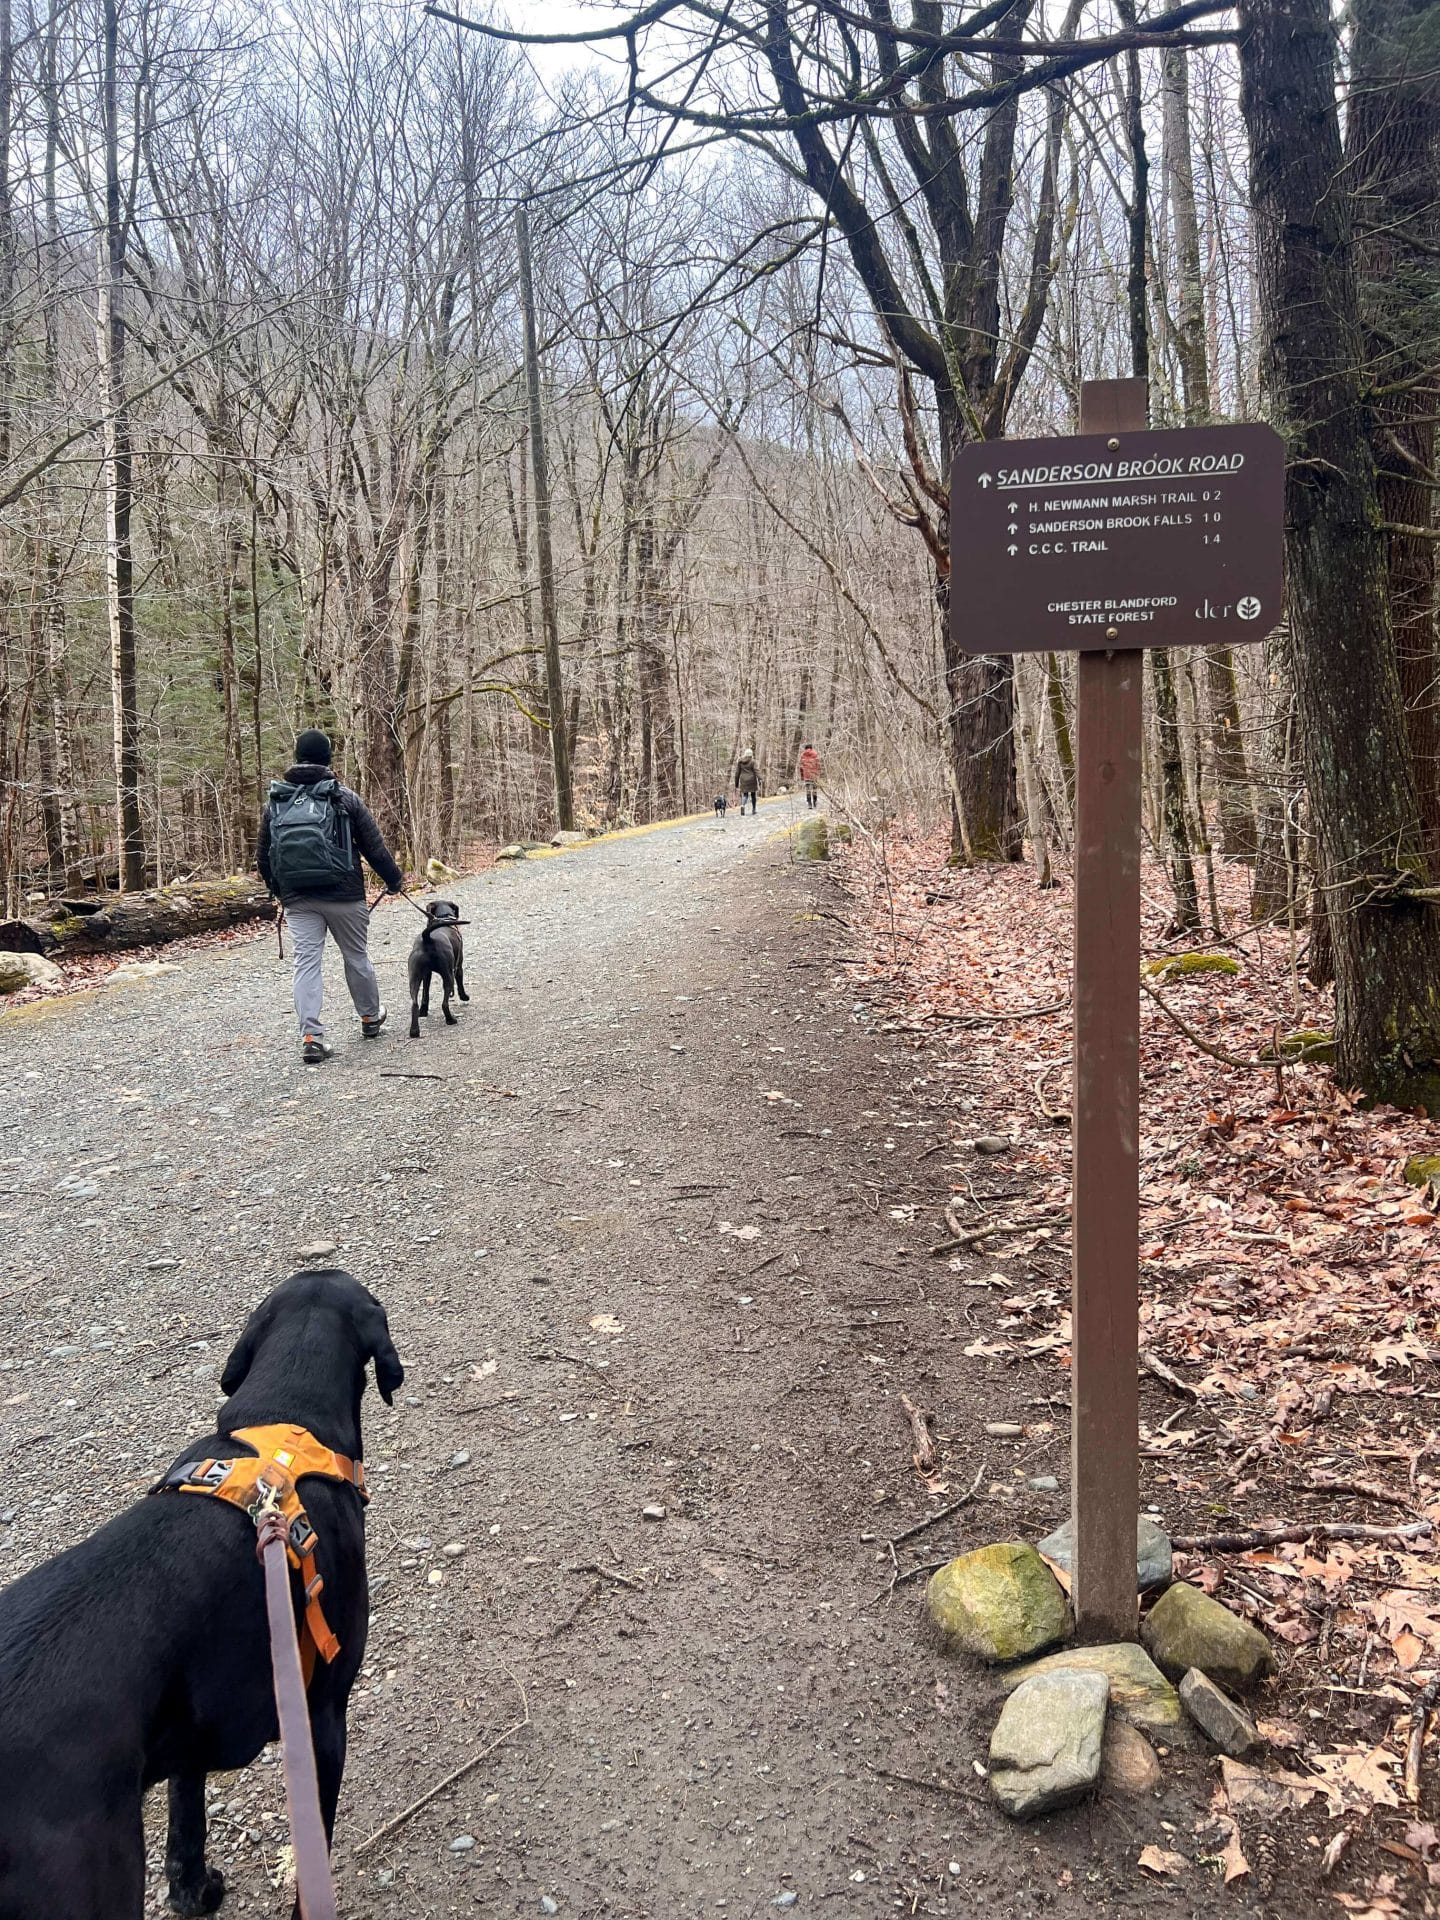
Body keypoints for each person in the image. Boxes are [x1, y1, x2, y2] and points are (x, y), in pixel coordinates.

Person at [257, 727, 404, 1064]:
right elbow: (375, 849)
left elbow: (263, 856)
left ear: (296, 758)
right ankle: (369, 1017)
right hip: (345, 895)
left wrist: (279, 890)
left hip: (299, 898)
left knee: (306, 964)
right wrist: (394, 880)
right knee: (356, 956)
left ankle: (311, 1036)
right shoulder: (344, 797)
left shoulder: (277, 801)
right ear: (327, 759)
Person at [734, 748, 761, 816]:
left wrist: (736, 783)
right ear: (751, 755)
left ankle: (743, 805)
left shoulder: (740, 762)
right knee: (753, 795)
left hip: (743, 780)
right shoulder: (753, 762)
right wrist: (760, 778)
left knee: (745, 795)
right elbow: (756, 770)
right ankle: (754, 809)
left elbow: (737, 773)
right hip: (752, 780)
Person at [798, 742, 822, 809]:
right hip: (814, 775)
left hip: (806, 775)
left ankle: (809, 804)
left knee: (808, 790)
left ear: (805, 748)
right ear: (811, 748)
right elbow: (818, 765)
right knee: (814, 789)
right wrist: (818, 774)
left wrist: (802, 776)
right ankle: (815, 802)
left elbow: (801, 767)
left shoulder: (802, 755)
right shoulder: (815, 754)